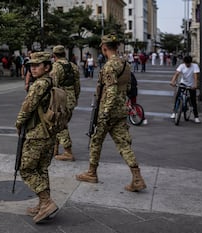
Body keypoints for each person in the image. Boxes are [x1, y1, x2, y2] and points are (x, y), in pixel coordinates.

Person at [76, 33, 147, 192]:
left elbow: (112, 90)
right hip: (121, 109)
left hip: (107, 110)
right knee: (123, 144)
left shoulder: (109, 66)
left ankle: (91, 172)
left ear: (104, 48)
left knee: (96, 140)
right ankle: (137, 177)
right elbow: (128, 87)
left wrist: (105, 112)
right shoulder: (125, 64)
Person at [15, 52, 59, 223]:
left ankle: (47, 202)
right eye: (30, 66)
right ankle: (42, 204)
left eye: (37, 65)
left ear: (46, 67)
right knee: (41, 169)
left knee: (26, 169)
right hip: (49, 132)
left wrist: (19, 123)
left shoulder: (39, 84)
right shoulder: (51, 81)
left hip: (37, 134)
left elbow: (27, 106)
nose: (32, 68)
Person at [51, 45, 80, 161]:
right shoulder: (73, 66)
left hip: (60, 100)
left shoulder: (56, 67)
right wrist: (75, 97)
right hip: (71, 99)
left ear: (54, 56)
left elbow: (54, 85)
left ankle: (68, 151)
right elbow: (77, 85)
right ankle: (55, 148)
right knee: (59, 123)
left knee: (60, 125)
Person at [169, 55, 200, 123]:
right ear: (184, 62)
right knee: (177, 97)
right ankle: (174, 112)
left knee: (193, 101)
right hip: (183, 83)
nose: (187, 65)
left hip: (191, 85)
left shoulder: (195, 66)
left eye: (188, 63)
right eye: (186, 63)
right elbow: (176, 74)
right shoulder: (182, 66)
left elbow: (195, 76)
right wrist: (172, 81)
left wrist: (195, 85)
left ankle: (196, 116)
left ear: (191, 62)